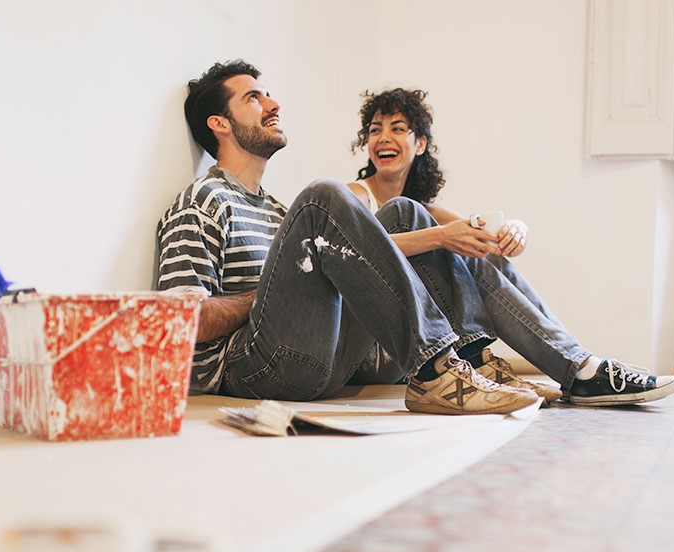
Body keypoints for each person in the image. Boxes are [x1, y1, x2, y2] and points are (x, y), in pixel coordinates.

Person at [156, 60, 540, 416]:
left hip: (322, 361)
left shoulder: (276, 210)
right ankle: (435, 373)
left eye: (268, 94)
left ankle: (468, 360)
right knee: (323, 196)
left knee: (403, 213)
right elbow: (180, 322)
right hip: (249, 370)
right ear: (220, 124)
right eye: (253, 98)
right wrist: (273, 295)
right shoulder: (204, 201)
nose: (273, 104)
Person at [346, 87, 674, 406]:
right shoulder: (357, 195)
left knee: (470, 249)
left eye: (397, 128)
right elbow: (354, 253)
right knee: (418, 222)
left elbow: (484, 244)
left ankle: (577, 364)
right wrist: (441, 237)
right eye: (375, 130)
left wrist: (517, 230)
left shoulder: (425, 211)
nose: (384, 137)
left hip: (415, 346)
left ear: (420, 144)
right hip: (372, 349)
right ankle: (577, 369)